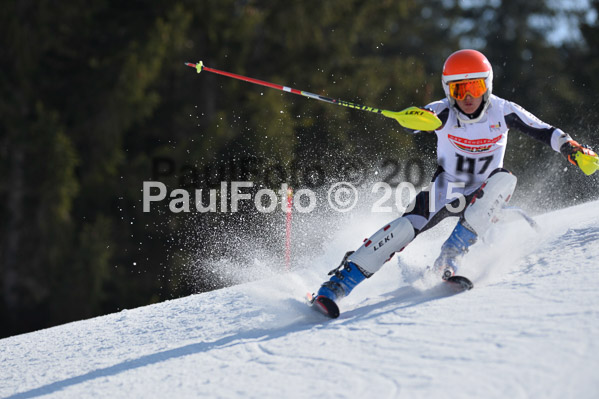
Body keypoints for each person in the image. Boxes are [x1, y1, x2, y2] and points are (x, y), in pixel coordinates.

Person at [312, 49, 598, 318]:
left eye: (475, 87)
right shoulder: (444, 111)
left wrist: (573, 150)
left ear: (487, 85)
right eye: (459, 90)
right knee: (403, 227)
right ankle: (338, 285)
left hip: (485, 196)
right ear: (449, 90)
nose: (468, 97)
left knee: (504, 180)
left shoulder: (503, 110)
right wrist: (415, 119)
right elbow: (417, 120)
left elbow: (546, 131)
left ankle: (449, 258)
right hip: (447, 189)